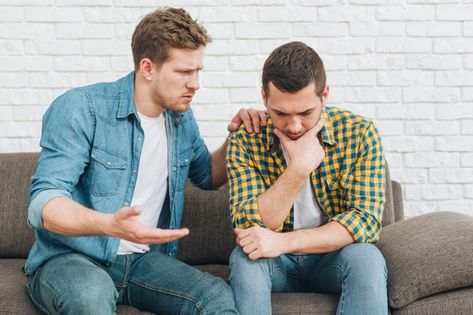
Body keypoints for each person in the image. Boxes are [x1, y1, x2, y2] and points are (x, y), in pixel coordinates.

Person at [25, 7, 265, 315]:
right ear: (148, 68)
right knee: (89, 297)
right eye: (183, 72)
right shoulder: (82, 108)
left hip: (142, 261)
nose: (195, 84)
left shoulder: (180, 118)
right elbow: (44, 203)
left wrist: (239, 136)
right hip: (72, 258)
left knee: (215, 296)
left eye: (198, 71)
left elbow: (207, 175)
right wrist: (109, 225)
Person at [226, 41, 388, 315]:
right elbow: (249, 223)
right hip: (275, 264)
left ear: (324, 95)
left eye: (305, 113)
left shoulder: (360, 134)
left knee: (367, 258)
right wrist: (298, 169)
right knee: (245, 259)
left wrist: (285, 242)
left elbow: (365, 221)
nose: (294, 126)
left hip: (332, 260)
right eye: (280, 114)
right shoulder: (246, 139)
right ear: (264, 97)